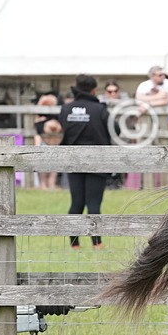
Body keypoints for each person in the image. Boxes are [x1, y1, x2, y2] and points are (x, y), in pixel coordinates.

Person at [60, 75, 112, 249]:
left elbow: (62, 132)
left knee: (77, 203)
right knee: (94, 203)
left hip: (73, 160)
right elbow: (115, 129)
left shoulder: (66, 109)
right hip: (97, 160)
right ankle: (97, 243)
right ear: (94, 90)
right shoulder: (100, 110)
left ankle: (74, 244)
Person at [33, 89, 63, 190]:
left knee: (55, 162)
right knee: (42, 162)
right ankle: (43, 184)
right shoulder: (39, 115)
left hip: (55, 140)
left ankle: (51, 183)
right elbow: (38, 127)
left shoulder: (59, 113)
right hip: (43, 139)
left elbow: (59, 127)